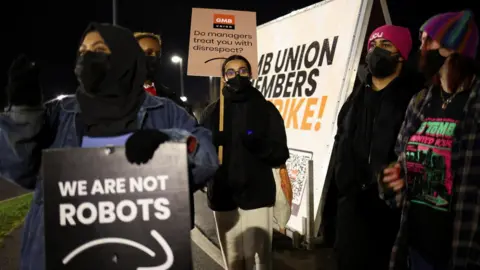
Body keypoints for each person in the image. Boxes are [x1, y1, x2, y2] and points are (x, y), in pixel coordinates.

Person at [0, 23, 218, 270]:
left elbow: (207, 158)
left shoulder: (166, 111)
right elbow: (18, 169)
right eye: (83, 51)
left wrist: (168, 143)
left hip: (142, 252)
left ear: (124, 55)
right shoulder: (59, 113)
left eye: (99, 49)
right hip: (63, 254)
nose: (88, 56)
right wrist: (23, 114)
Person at [382, 10, 479, 270]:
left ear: (452, 49)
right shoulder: (421, 101)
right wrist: (396, 178)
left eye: (429, 40)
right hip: (416, 246)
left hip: (460, 250)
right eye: (421, 39)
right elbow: (401, 159)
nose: (422, 47)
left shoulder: (475, 103)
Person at [324, 25, 421, 270]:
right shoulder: (355, 98)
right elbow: (341, 142)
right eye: (373, 46)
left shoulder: (414, 99)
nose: (376, 51)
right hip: (350, 212)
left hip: (389, 214)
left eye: (386, 45)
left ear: (402, 55)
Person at [199, 55, 289, 270]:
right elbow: (200, 158)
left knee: (259, 262)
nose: (237, 76)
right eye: (230, 72)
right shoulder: (212, 112)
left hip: (257, 196)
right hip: (223, 197)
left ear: (251, 75)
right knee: (233, 261)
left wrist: (258, 144)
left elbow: (280, 154)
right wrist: (210, 145)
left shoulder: (266, 110)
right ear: (223, 77)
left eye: (242, 71)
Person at [134, 32, 192, 114]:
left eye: (158, 54)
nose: (154, 57)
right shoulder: (119, 97)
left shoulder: (171, 97)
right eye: (148, 53)